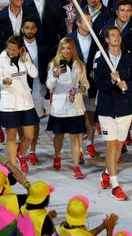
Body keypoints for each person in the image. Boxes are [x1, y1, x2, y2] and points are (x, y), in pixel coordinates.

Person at [95, 27, 132, 200]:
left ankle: (108, 172)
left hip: (125, 108)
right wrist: (110, 81)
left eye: (118, 35)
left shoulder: (129, 58)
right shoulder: (100, 60)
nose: (116, 37)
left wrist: (127, 85)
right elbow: (98, 84)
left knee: (118, 146)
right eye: (112, 35)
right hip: (107, 108)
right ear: (107, 40)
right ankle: (116, 185)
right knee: (110, 145)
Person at [0, 35, 39, 172]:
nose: (11, 52)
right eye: (9, 49)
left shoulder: (24, 57)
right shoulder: (0, 60)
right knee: (11, 136)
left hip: (25, 102)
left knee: (29, 136)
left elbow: (34, 74)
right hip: (9, 103)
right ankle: (13, 167)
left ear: (20, 49)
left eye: (14, 49)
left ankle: (21, 155)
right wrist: (4, 82)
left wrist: (26, 59)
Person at [46, 37, 89, 179]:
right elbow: (49, 86)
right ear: (60, 49)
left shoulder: (79, 65)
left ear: (73, 49)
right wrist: (55, 75)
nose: (66, 51)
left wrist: (81, 89)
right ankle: (57, 157)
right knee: (59, 135)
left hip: (75, 106)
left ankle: (76, 166)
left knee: (75, 138)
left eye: (69, 48)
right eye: (63, 48)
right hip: (59, 106)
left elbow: (85, 83)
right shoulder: (53, 64)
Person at [69, 13, 101, 159]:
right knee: (77, 116)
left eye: (90, 20)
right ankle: (79, 149)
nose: (90, 22)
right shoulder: (69, 39)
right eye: (86, 20)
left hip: (92, 84)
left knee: (91, 115)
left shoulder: (97, 38)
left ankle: (90, 143)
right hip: (75, 84)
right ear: (78, 23)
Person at [21, 17, 52, 166]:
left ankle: (32, 151)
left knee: (36, 119)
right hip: (21, 89)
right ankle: (22, 150)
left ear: (36, 30)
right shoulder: (17, 46)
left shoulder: (43, 46)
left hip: (39, 86)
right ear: (22, 30)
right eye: (27, 27)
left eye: (32, 27)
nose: (30, 30)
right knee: (22, 121)